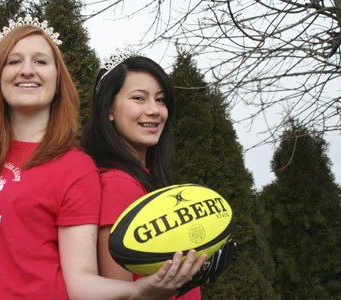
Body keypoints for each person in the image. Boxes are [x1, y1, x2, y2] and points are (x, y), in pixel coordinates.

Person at [0, 15, 207, 300]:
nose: (27, 70)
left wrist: (139, 290)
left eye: (40, 61)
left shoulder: (76, 168)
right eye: (14, 61)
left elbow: (81, 282)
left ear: (58, 80)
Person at [81, 49, 236, 299]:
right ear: (108, 109)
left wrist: (186, 276)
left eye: (161, 99)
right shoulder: (118, 183)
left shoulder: (146, 179)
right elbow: (121, 292)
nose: (155, 110)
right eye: (139, 98)